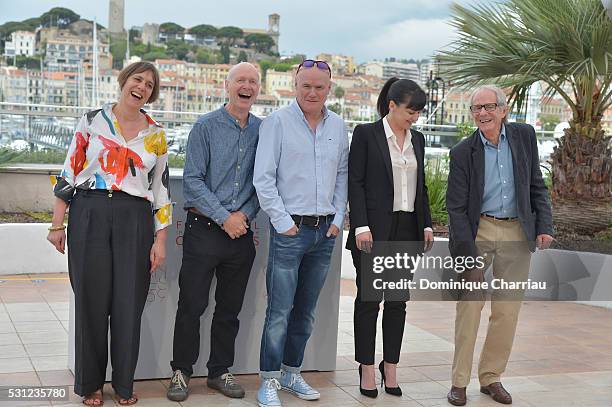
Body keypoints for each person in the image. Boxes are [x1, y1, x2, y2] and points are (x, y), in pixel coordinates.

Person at [46, 61, 172, 406]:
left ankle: (124, 386)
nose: (142, 87)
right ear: (124, 81)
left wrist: (160, 240)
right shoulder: (92, 120)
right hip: (90, 211)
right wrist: (58, 224)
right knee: (91, 302)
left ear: (152, 93)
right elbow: (69, 171)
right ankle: (90, 384)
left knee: (128, 304)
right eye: (137, 79)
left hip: (135, 219)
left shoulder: (157, 134)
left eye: (149, 84)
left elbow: (161, 191)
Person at [445, 85, 553, 406]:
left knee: (506, 311)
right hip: (479, 231)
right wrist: (467, 257)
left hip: (517, 231)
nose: (483, 114)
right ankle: (459, 382)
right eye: (477, 109)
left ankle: (491, 377)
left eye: (489, 107)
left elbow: (536, 184)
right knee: (470, 306)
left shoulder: (524, 136)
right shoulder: (463, 153)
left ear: (503, 110)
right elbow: (456, 209)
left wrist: (544, 226)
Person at [253, 59, 348, 407]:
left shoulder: (338, 125)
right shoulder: (277, 123)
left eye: (319, 87)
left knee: (306, 311)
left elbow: (343, 176)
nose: (312, 92)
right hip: (289, 230)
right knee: (279, 311)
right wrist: (283, 223)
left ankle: (292, 373)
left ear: (329, 88)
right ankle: (268, 381)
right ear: (295, 85)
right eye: (306, 85)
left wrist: (338, 219)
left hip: (325, 233)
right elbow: (263, 178)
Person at [166, 62, 262, 402]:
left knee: (230, 309)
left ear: (258, 89)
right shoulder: (205, 126)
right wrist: (225, 218)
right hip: (204, 231)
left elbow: (263, 183)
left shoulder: (263, 131)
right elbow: (192, 181)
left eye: (253, 81)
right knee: (191, 306)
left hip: (242, 235)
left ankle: (220, 371)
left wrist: (243, 216)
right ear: (227, 85)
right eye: (241, 80)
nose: (247, 85)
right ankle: (181, 372)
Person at [346, 77, 434, 398]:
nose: (415, 117)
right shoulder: (366, 135)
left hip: (407, 230)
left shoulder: (419, 140)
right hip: (373, 231)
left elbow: (420, 186)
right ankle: (366, 368)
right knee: (370, 301)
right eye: (410, 110)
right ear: (392, 106)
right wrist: (360, 226)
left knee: (397, 302)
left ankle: (391, 366)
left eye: (419, 112)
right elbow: (355, 183)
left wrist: (426, 224)